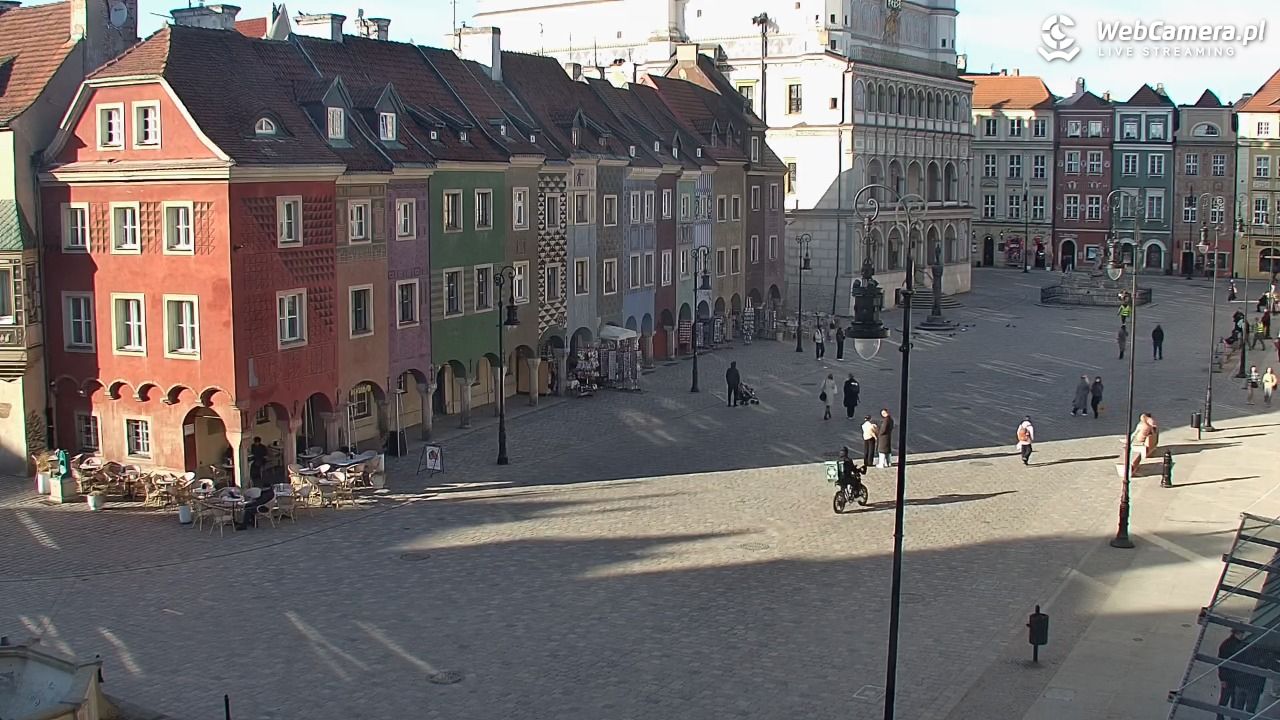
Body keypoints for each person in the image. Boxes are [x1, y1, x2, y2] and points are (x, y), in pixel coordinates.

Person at [1218, 628, 1246, 720]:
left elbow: (1221, 664)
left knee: (1225, 698)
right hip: (1233, 677)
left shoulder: (1226, 644)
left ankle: (1220, 716)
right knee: (1231, 699)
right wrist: (1223, 679)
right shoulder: (1235, 645)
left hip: (1229, 676)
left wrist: (1222, 678)